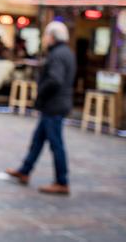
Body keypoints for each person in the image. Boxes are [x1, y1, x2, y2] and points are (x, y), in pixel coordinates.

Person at [6, 21, 76, 195]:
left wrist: (40, 93)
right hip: (56, 104)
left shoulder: (57, 55)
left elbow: (55, 79)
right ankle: (25, 170)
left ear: (52, 37)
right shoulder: (66, 53)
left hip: (54, 104)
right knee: (38, 140)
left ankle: (62, 181)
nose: (44, 38)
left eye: (45, 35)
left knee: (56, 144)